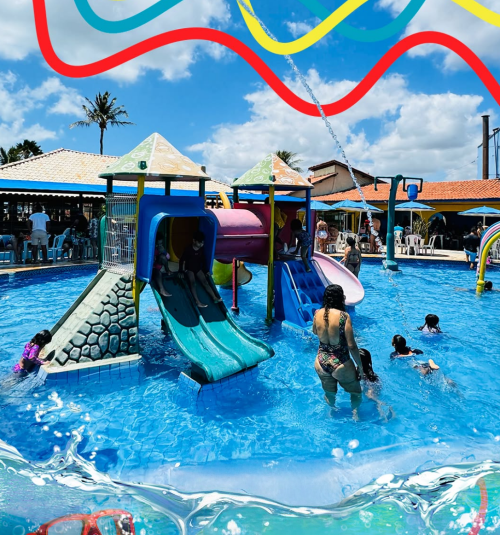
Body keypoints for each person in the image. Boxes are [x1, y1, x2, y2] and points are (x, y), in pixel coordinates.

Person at [313, 284, 364, 411]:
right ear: (341, 298)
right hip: (341, 362)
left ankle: (332, 413)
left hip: (321, 361)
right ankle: (356, 417)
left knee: (329, 394)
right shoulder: (343, 316)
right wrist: (360, 366)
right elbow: (352, 345)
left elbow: (314, 331)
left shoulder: (317, 313)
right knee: (356, 393)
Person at [179, 230, 222, 308]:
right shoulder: (188, 249)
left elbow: (203, 260)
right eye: (199, 242)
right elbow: (182, 260)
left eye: (202, 242)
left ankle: (214, 298)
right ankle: (197, 301)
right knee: (192, 282)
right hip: (189, 269)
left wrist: (206, 271)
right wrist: (181, 271)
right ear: (194, 241)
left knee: (205, 282)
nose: (201, 244)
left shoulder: (201, 250)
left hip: (197, 268)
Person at [152, 233, 172, 298]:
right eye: (158, 244)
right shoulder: (152, 248)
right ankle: (162, 290)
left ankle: (167, 270)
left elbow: (168, 257)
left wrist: (164, 252)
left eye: (161, 244)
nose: (159, 246)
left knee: (163, 257)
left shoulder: (161, 249)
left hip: (157, 265)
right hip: (152, 268)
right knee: (158, 273)